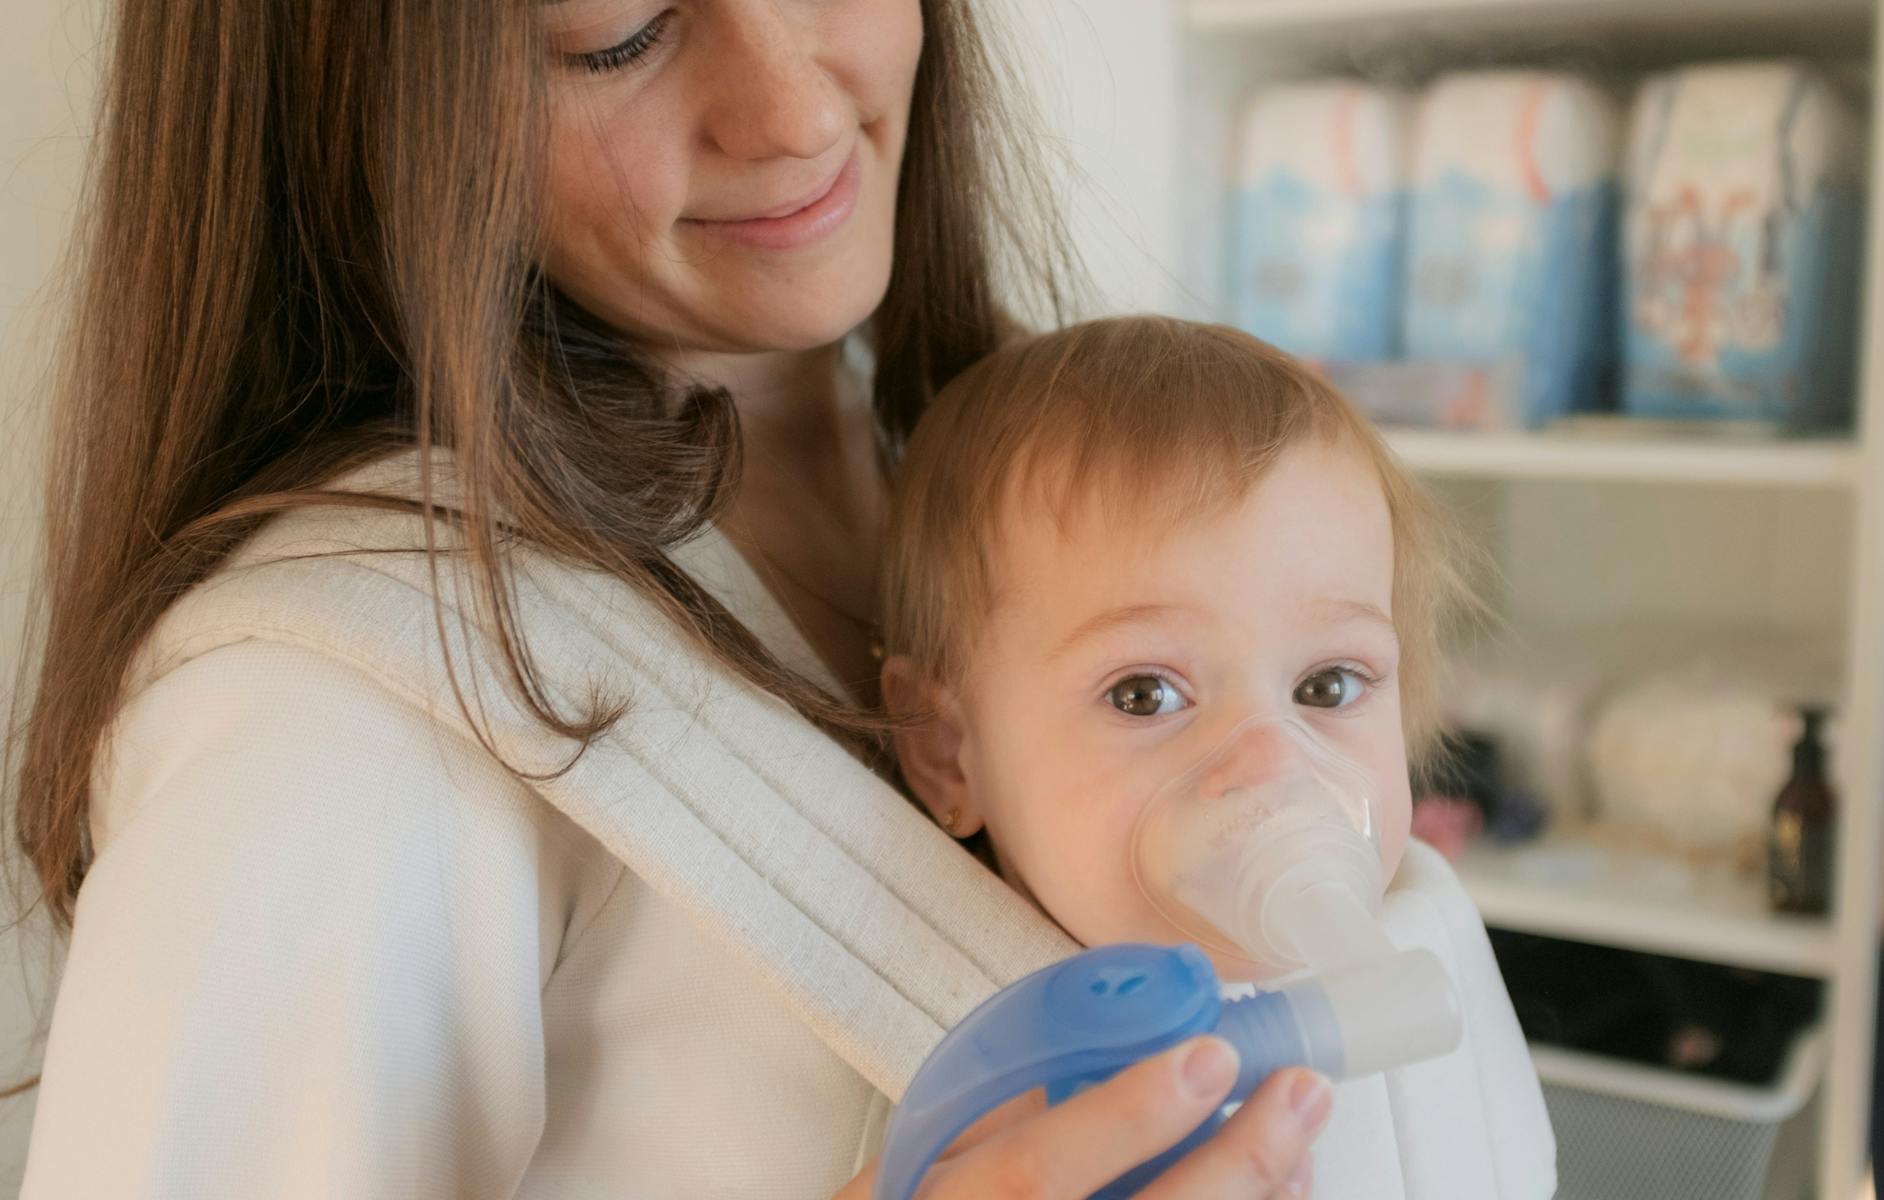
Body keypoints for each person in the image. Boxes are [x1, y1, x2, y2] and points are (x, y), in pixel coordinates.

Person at [9, 1, 1327, 1196]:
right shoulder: (331, 720)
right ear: (357, 94)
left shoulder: (1076, 511)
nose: (800, 113)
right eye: (621, 35)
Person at [876, 317, 1556, 1198]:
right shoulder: (974, 1074)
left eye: (1327, 685)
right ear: (948, 755)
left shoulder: (1423, 930)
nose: (1273, 763)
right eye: (1144, 695)